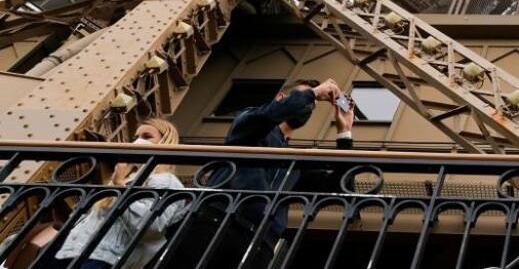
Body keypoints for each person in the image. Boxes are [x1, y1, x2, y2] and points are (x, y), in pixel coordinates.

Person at [180, 78, 355, 268]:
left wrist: (344, 132)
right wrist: (315, 92)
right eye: (304, 97)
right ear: (280, 98)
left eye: (311, 105)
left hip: (259, 244)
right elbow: (267, 116)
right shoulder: (250, 123)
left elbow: (341, 186)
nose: (308, 105)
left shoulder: (294, 165)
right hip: (215, 223)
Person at [50, 118, 187, 269]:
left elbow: (151, 225)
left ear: (165, 142)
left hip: (103, 258)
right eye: (136, 137)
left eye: (147, 137)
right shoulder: (130, 178)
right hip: (70, 252)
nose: (138, 141)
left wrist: (120, 185)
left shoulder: (165, 181)